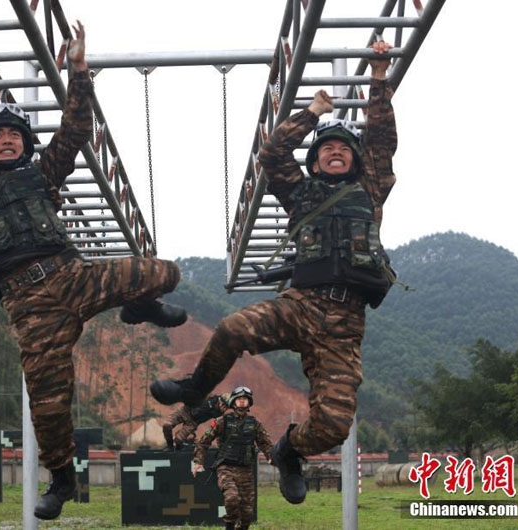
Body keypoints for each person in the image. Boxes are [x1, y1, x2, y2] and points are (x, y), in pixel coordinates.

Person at [0, 21, 186, 520]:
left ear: (24, 143)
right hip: (30, 305)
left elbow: (74, 131)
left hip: (72, 277)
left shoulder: (42, 175)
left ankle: (139, 309)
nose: (6, 141)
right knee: (48, 402)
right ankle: (62, 478)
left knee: (163, 272)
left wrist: (78, 71)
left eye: (13, 134)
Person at [151, 40, 397, 505]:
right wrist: (310, 115)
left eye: (344, 148)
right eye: (327, 149)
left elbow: (382, 140)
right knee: (232, 327)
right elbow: (271, 155)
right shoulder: (302, 195)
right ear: (316, 159)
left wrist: (378, 77)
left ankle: (289, 452)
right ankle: (193, 388)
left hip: (344, 326)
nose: (335, 153)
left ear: (356, 160)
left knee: (333, 426)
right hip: (300, 306)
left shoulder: (370, 192)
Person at [192, 387, 272, 530]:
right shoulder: (222, 421)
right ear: (233, 403)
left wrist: (271, 457)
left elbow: (265, 443)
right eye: (239, 399)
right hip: (226, 468)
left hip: (246, 470)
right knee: (232, 498)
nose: (242, 402)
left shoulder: (255, 423)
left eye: (245, 399)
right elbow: (203, 441)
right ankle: (229, 526)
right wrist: (198, 462)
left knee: (247, 514)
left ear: (249, 402)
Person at [162, 393, 229, 451]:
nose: (224, 408)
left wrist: (206, 434)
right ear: (220, 401)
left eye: (226, 407)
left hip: (193, 422)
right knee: (167, 425)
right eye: (224, 405)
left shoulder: (219, 412)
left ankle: (179, 448)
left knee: (178, 440)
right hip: (184, 411)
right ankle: (170, 446)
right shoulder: (209, 399)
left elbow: (213, 425)